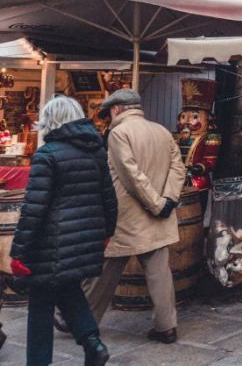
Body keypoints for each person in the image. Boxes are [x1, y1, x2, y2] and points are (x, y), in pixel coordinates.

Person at [10, 95, 117, 366]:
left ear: (51, 121)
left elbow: (34, 209)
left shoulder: (47, 155)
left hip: (50, 244)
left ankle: (38, 361)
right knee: (69, 289)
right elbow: (109, 198)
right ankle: (93, 344)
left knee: (41, 304)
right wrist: (106, 233)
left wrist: (19, 252)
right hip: (84, 240)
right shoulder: (96, 151)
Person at [74, 89, 186, 343]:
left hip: (126, 217)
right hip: (159, 215)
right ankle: (166, 327)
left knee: (103, 270)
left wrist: (157, 204)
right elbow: (178, 167)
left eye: (108, 113)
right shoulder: (162, 131)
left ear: (116, 109)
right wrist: (167, 200)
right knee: (160, 274)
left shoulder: (118, 134)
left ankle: (81, 320)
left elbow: (130, 175)